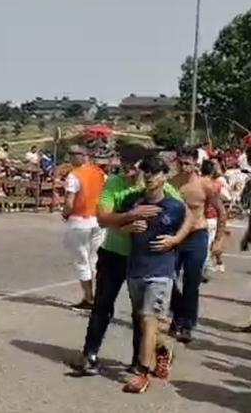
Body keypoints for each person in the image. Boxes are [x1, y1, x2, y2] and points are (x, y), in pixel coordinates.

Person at [70, 144, 186, 377]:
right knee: (102, 305)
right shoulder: (114, 183)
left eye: (134, 168)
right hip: (114, 252)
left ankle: (138, 361)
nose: (129, 173)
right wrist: (131, 215)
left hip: (144, 259)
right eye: (124, 167)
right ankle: (89, 354)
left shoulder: (159, 184)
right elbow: (102, 219)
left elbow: (189, 215)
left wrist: (175, 239)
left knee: (141, 314)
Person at [120, 155, 190, 393]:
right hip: (136, 269)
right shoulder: (133, 200)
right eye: (146, 172)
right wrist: (128, 224)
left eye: (155, 172)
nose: (149, 176)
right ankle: (163, 350)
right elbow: (114, 222)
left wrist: (175, 239)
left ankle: (142, 373)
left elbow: (191, 221)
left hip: (161, 271)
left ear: (164, 176)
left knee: (150, 320)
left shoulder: (174, 206)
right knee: (144, 321)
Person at [168, 146, 227, 344]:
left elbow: (221, 211)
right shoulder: (170, 184)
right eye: (181, 163)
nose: (184, 167)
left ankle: (186, 325)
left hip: (197, 235)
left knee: (191, 282)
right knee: (169, 279)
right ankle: (176, 316)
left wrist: (218, 240)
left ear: (196, 164)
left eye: (188, 163)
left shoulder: (205, 185)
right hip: (175, 236)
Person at [61, 145, 107, 310]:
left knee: (81, 260)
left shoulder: (74, 175)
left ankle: (88, 298)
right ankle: (100, 296)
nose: (71, 157)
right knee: (94, 260)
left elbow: (69, 202)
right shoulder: (100, 173)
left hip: (80, 220)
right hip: (98, 220)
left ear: (84, 156)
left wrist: (65, 213)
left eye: (74, 154)